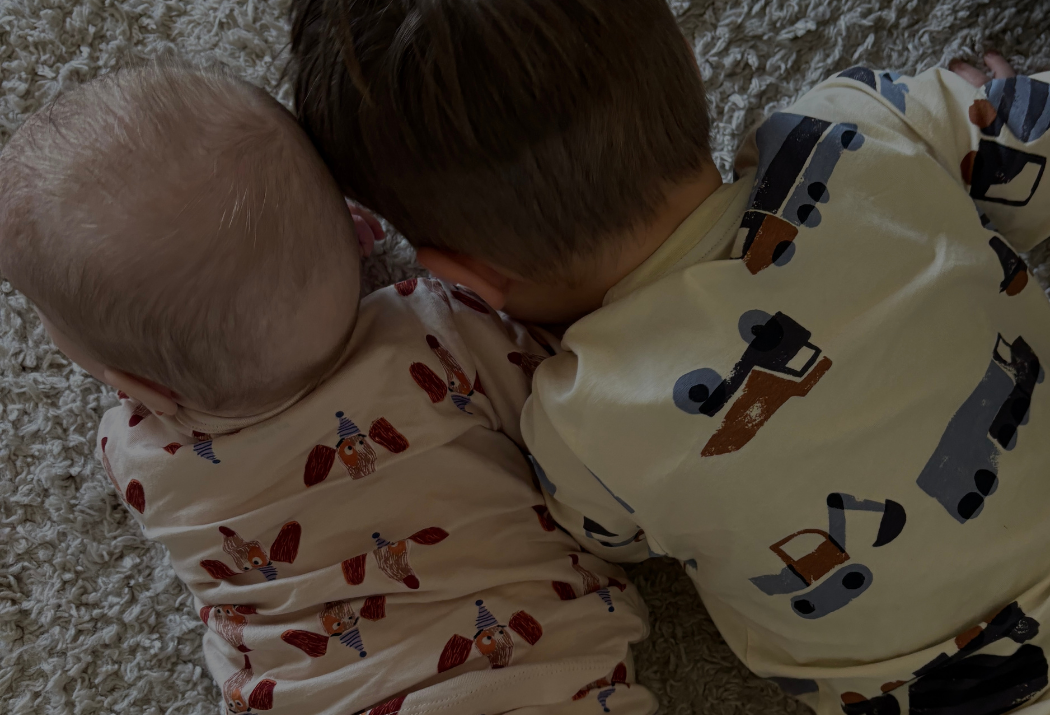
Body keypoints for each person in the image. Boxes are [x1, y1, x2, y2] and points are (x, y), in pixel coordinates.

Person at [288, 0, 1050, 715]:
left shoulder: (583, 423)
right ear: (688, 59)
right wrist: (1008, 116)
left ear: (461, 279)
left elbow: (611, 540)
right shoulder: (865, 130)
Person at [0, 61, 654, 715]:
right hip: (545, 681)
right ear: (353, 222)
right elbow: (557, 402)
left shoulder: (140, 453)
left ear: (140, 388)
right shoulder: (440, 333)